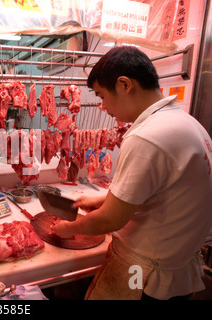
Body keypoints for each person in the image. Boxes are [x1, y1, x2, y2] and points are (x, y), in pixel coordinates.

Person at [51, 46, 212, 300]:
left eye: (102, 96)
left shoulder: (147, 136)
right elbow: (162, 191)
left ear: (125, 84)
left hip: (145, 273)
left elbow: (110, 221)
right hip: (176, 270)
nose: (102, 107)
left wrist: (70, 228)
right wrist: (105, 200)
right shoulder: (189, 124)